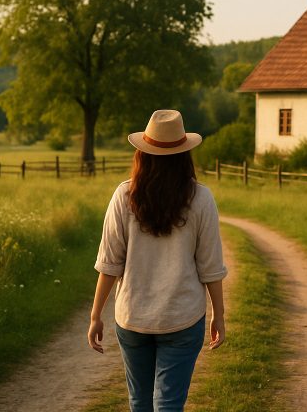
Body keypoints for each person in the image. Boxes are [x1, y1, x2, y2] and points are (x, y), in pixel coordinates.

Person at [88, 109, 227, 412]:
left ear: (143, 154)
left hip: (133, 317)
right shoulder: (201, 198)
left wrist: (95, 314)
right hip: (183, 317)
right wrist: (219, 314)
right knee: (169, 404)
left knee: (139, 403)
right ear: (184, 154)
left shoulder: (124, 196)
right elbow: (210, 266)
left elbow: (109, 263)